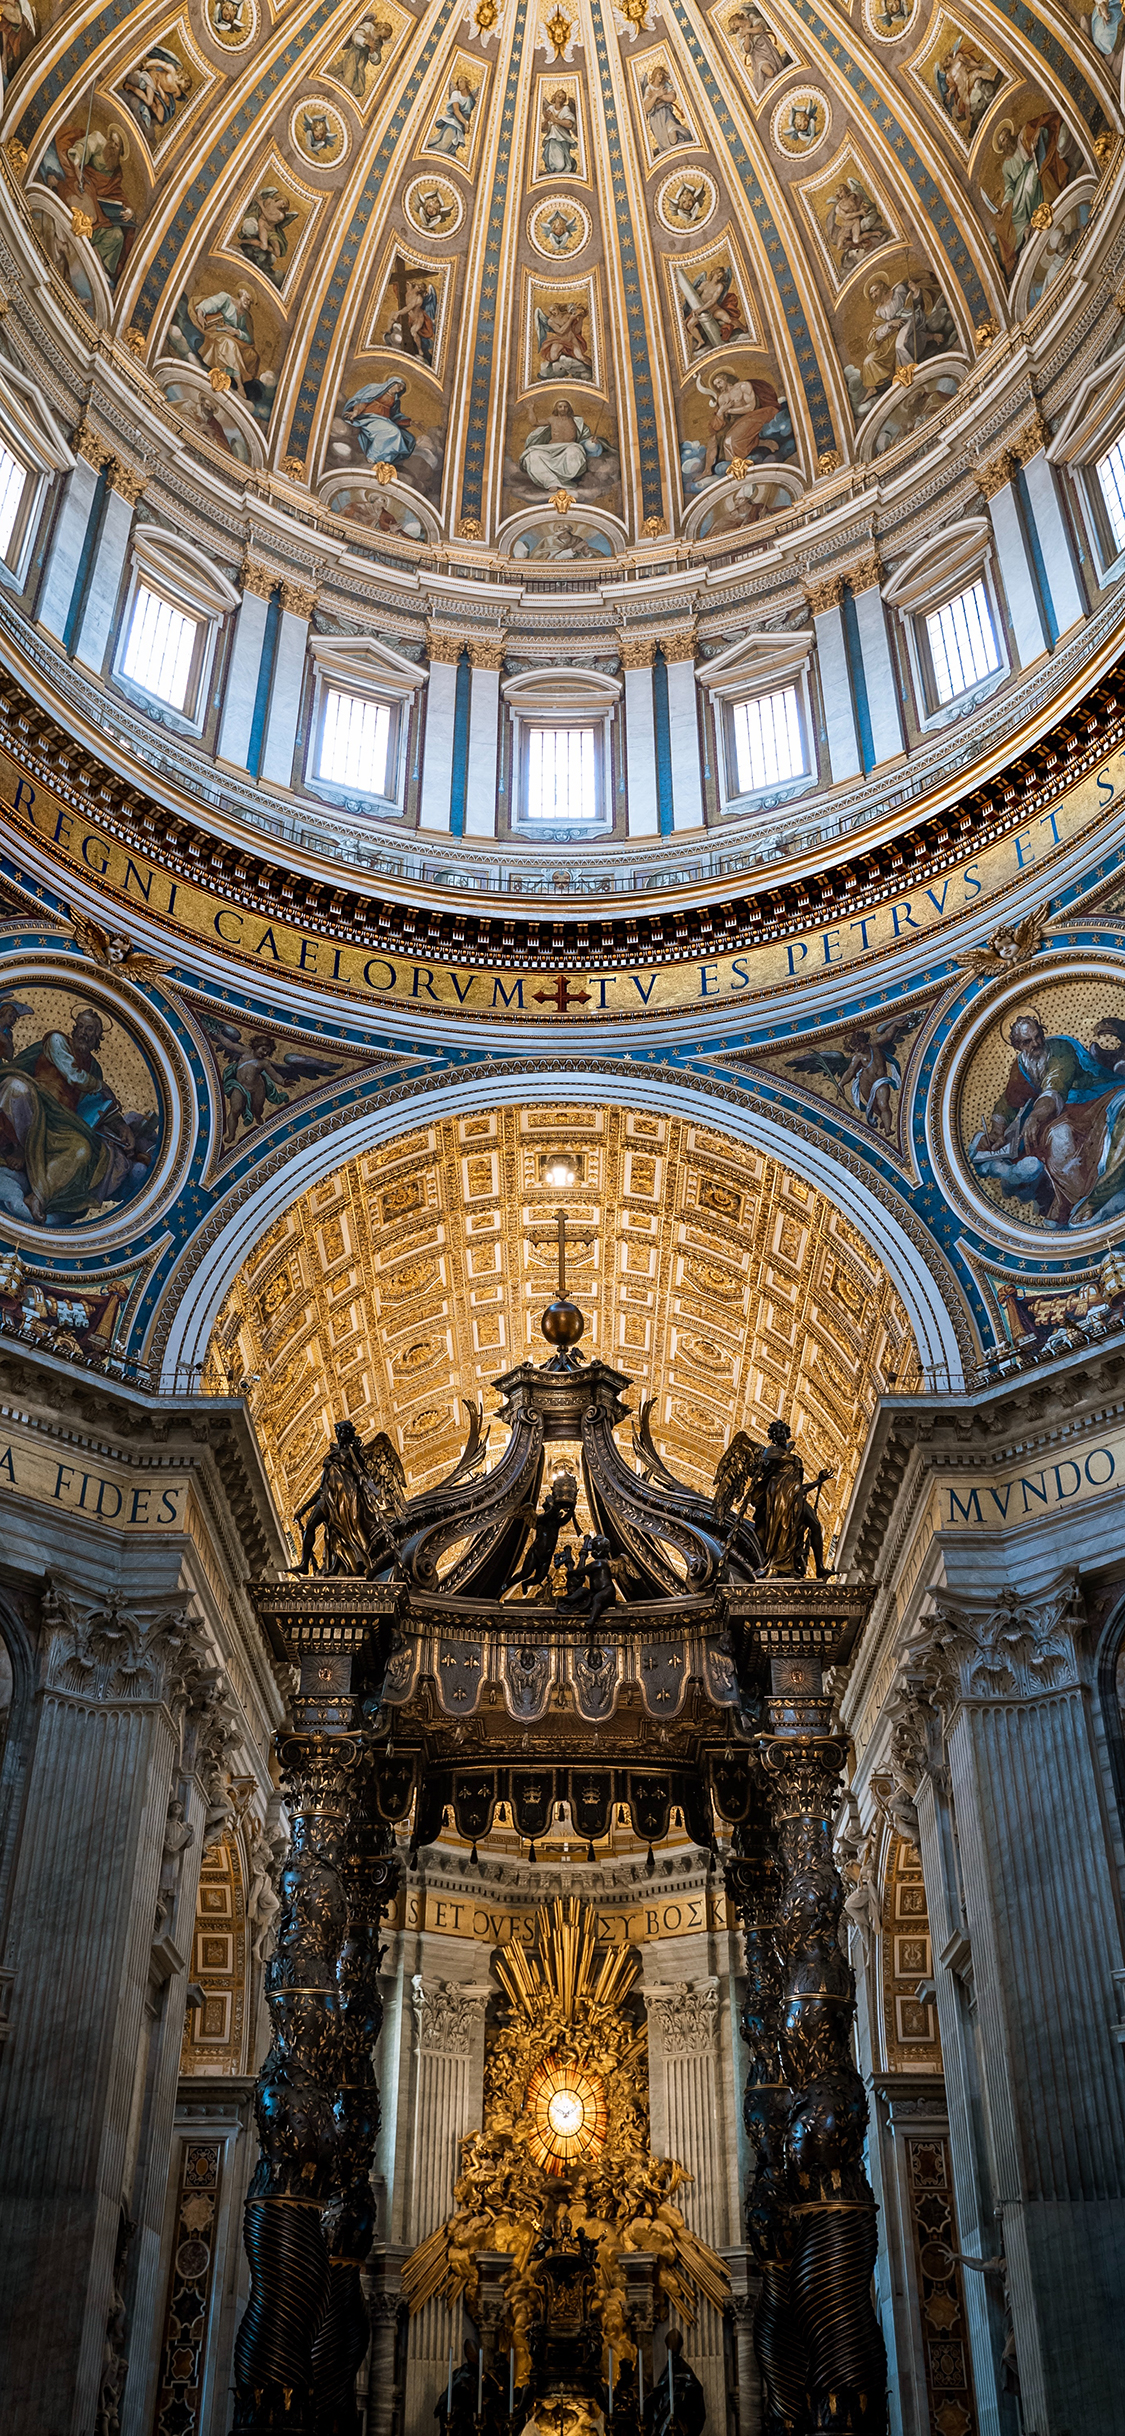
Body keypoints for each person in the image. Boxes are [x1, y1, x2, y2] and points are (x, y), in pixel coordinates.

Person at [0, 1004, 157, 1224]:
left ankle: (38, 1197)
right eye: (81, 1026)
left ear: (98, 1038)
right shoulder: (57, 1041)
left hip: (61, 1122)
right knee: (15, 1087)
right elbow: (73, 1075)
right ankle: (19, 1146)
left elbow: (100, 1107)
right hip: (34, 1105)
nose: (84, 1032)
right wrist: (100, 1085)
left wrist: (122, 1128)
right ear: (73, 1028)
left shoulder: (94, 1068)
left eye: (91, 1029)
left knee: (82, 1150)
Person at [969, 1008, 1125, 1226]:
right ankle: (1071, 1201)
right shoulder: (1022, 1065)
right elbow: (1009, 1101)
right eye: (1027, 1042)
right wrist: (997, 1130)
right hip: (1066, 1111)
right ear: (1017, 1045)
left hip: (1096, 1097)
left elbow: (1055, 1085)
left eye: (1038, 1037)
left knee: (1059, 1134)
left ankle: (1092, 1198)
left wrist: (1036, 1116)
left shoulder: (1060, 1048)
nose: (1035, 1044)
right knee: (1051, 1137)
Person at [749, 1420, 833, 1578]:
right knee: (781, 1531)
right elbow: (762, 1468)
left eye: (782, 1432)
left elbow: (799, 1486)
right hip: (779, 1497)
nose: (780, 1435)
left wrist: (818, 1481)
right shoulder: (770, 1452)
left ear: (786, 1434)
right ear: (773, 1437)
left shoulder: (794, 1458)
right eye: (777, 1433)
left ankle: (820, 1567)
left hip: (796, 1497)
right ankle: (776, 1562)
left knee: (815, 1525)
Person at [519, 396, 604, 489]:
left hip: (569, 447)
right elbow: (534, 422)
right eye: (560, 406)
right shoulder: (552, 419)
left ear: (569, 408)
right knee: (533, 455)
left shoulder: (577, 421)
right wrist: (530, 409)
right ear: (556, 408)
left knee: (575, 452)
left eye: (565, 406)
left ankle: (564, 479)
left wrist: (592, 441)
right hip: (551, 449)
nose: (563, 409)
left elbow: (586, 438)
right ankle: (551, 482)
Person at [644, 2331, 706, 2436]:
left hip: (678, 2420)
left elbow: (695, 2390)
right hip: (665, 2417)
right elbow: (661, 2390)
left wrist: (682, 2394)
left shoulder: (684, 2369)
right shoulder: (667, 2368)